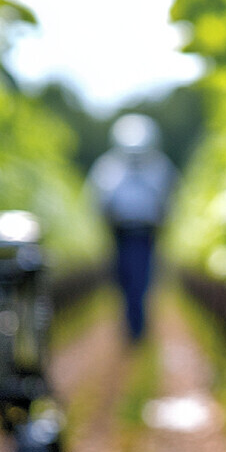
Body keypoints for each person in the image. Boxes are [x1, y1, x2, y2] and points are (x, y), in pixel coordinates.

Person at [88, 114, 177, 341]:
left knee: (140, 280)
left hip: (145, 234)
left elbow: (168, 200)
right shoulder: (108, 168)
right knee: (124, 280)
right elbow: (99, 202)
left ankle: (136, 329)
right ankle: (132, 325)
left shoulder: (159, 167)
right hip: (121, 234)